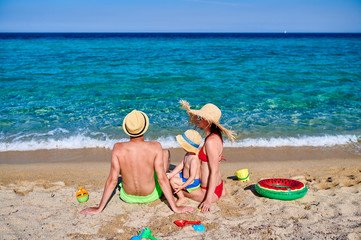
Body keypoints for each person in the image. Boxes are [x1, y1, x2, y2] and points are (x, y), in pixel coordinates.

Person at [79, 110, 194, 215]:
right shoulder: (155, 146)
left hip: (128, 197)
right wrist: (175, 208)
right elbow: (162, 179)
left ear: (127, 129)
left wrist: (99, 208)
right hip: (151, 195)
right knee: (165, 154)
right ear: (145, 127)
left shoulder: (118, 148)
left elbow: (112, 180)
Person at [179, 100, 236, 213]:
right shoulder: (214, 137)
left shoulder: (211, 142)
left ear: (209, 122)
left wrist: (208, 200)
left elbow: (214, 171)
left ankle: (214, 196)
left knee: (172, 187)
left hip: (208, 191)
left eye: (201, 118)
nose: (197, 119)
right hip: (215, 187)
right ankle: (219, 193)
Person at [166, 129, 202, 206]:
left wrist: (183, 186)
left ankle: (181, 198)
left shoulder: (194, 160)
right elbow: (180, 166)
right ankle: (172, 190)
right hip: (184, 176)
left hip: (192, 182)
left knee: (172, 180)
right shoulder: (188, 154)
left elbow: (192, 177)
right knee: (169, 176)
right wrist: (171, 174)